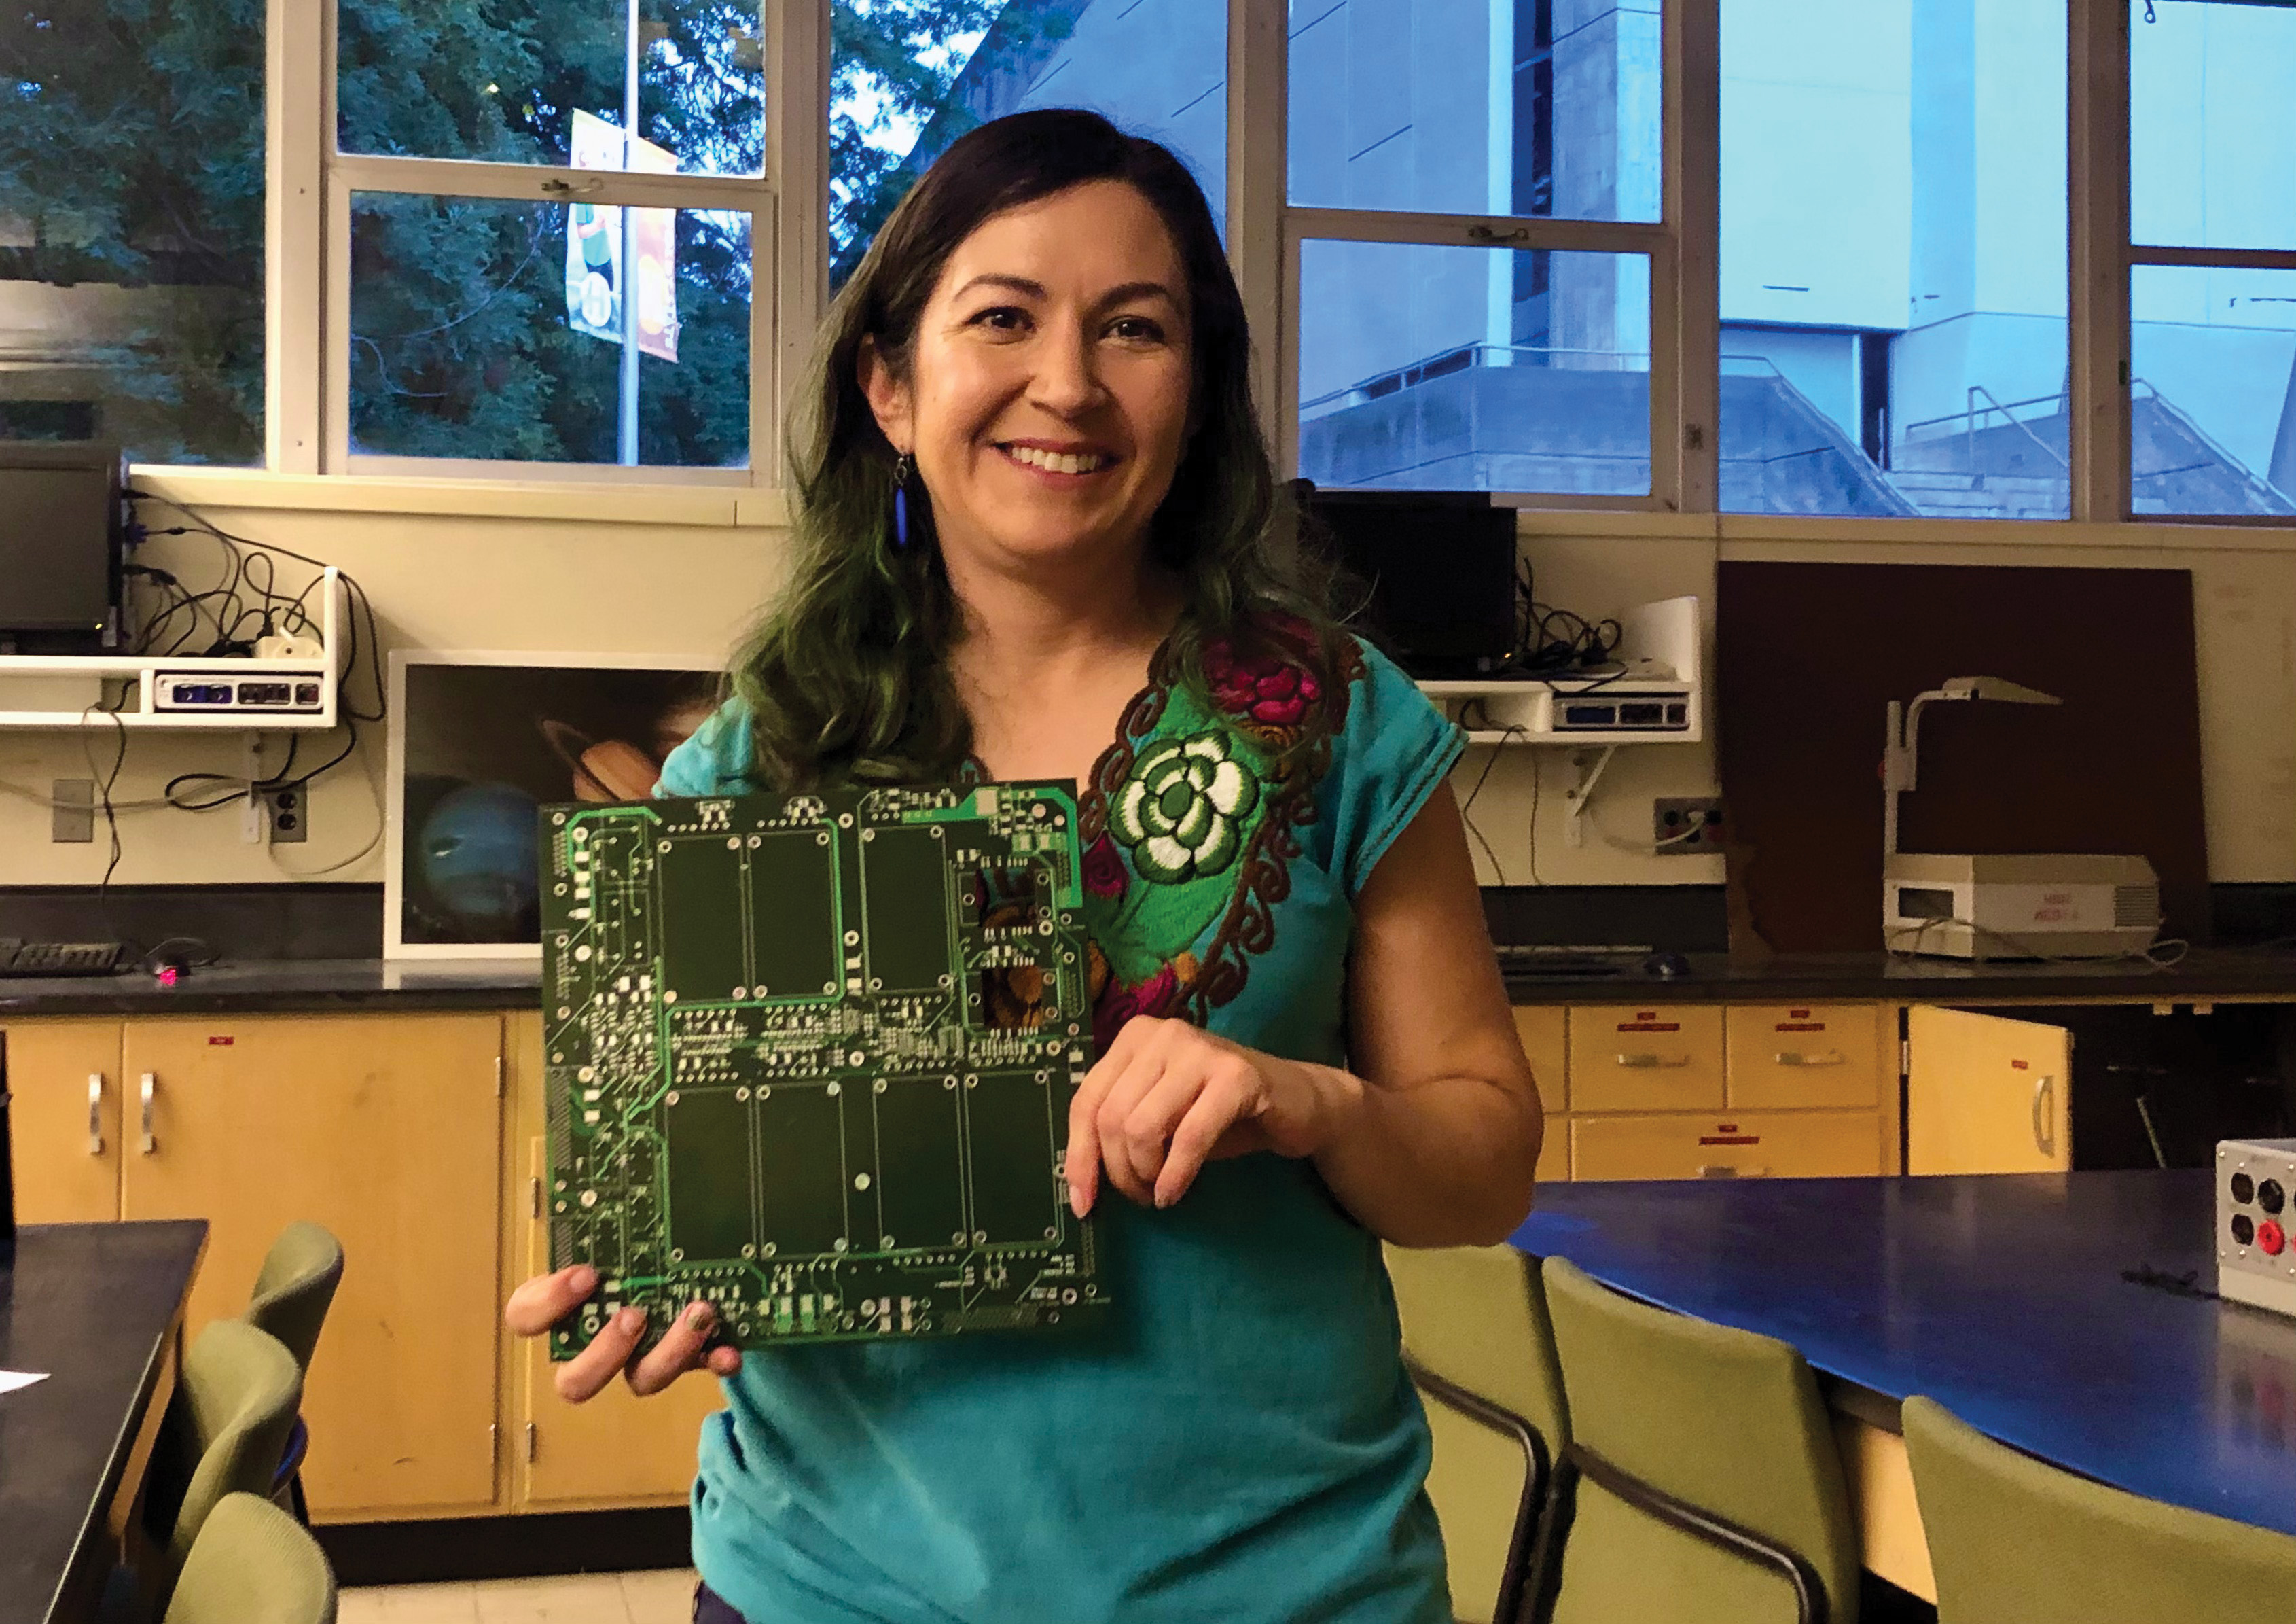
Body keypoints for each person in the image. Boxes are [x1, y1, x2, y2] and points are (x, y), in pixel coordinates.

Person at [505, 107, 1543, 1624]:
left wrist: (1308, 1101)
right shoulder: (763, 753)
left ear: (1196, 394)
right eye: (1002, 318)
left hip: (1287, 1587)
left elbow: (1486, 1160)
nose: (1068, 383)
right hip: (835, 1586)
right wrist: (650, 1265)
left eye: (1135, 328)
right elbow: (662, 1177)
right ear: (889, 383)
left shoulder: (1335, 720)